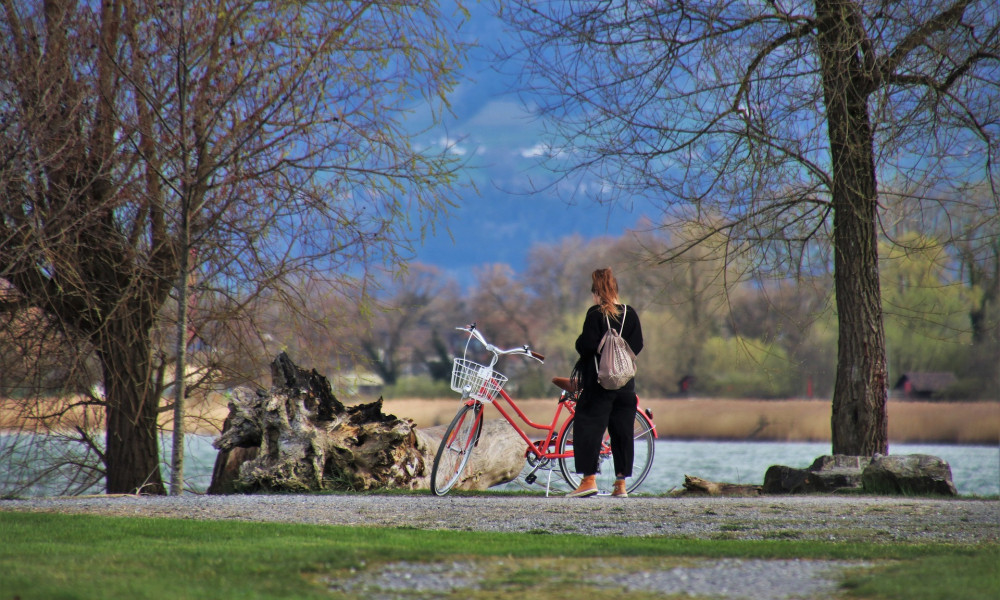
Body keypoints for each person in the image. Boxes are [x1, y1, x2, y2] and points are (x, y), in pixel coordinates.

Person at [567, 267, 644, 498]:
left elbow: (586, 346)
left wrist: (583, 343)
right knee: (622, 433)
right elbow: (637, 345)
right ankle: (620, 485)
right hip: (625, 386)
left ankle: (589, 480)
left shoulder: (595, 314)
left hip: (598, 385)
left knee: (588, 428)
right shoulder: (630, 314)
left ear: (596, 293)